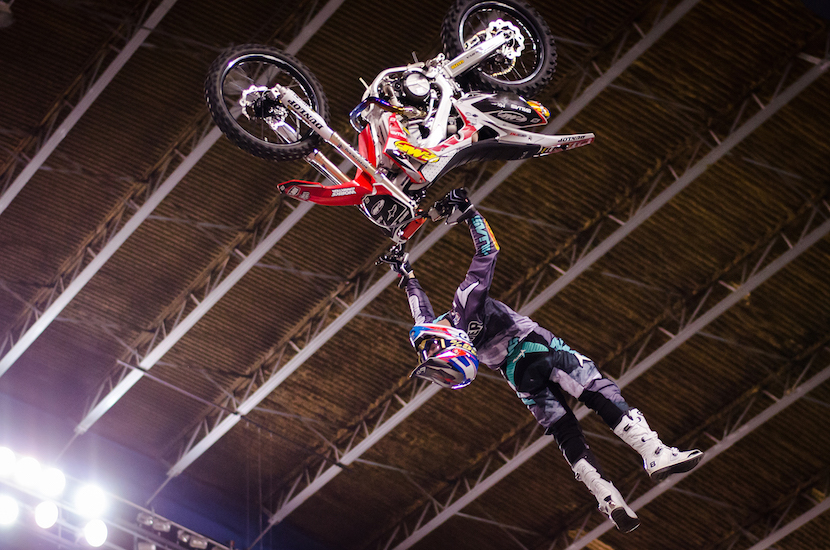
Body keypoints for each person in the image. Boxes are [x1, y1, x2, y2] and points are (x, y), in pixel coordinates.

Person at [379, 188, 703, 533]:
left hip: (516, 377)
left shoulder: (441, 330)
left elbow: (421, 313)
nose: (427, 346)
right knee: (598, 391)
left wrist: (406, 274)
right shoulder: (465, 304)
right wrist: (470, 213)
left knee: (564, 430)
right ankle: (654, 452)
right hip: (538, 347)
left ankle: (606, 496)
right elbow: (488, 251)